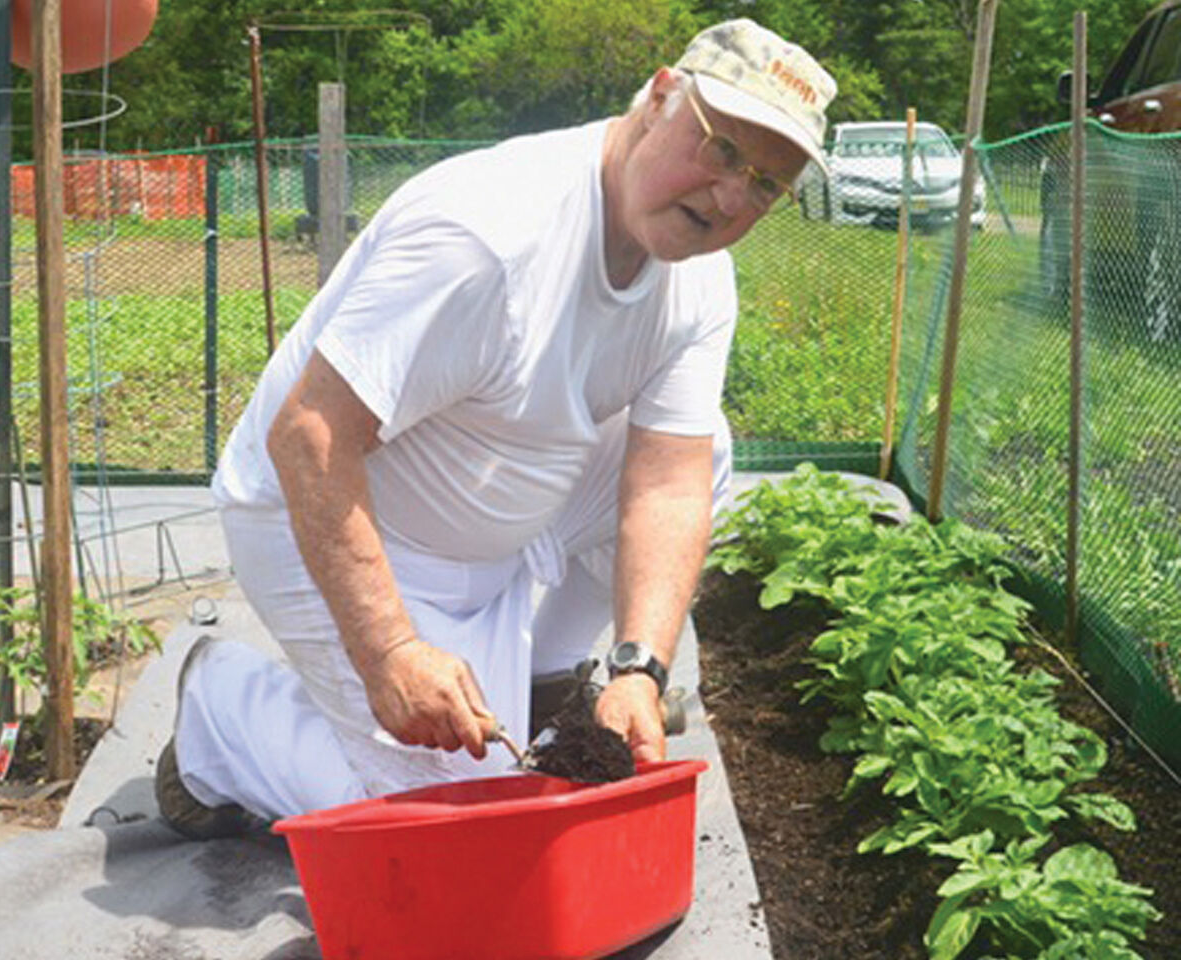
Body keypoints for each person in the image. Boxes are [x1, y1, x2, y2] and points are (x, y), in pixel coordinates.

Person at [155, 17, 836, 838]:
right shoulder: (487, 238)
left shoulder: (699, 281)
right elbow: (309, 436)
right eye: (722, 149)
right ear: (660, 98)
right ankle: (224, 715)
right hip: (327, 515)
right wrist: (391, 652)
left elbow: (670, 484)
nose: (730, 197)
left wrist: (640, 669)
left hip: (491, 504)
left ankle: (548, 678)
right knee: (451, 832)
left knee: (703, 448)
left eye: (765, 185)